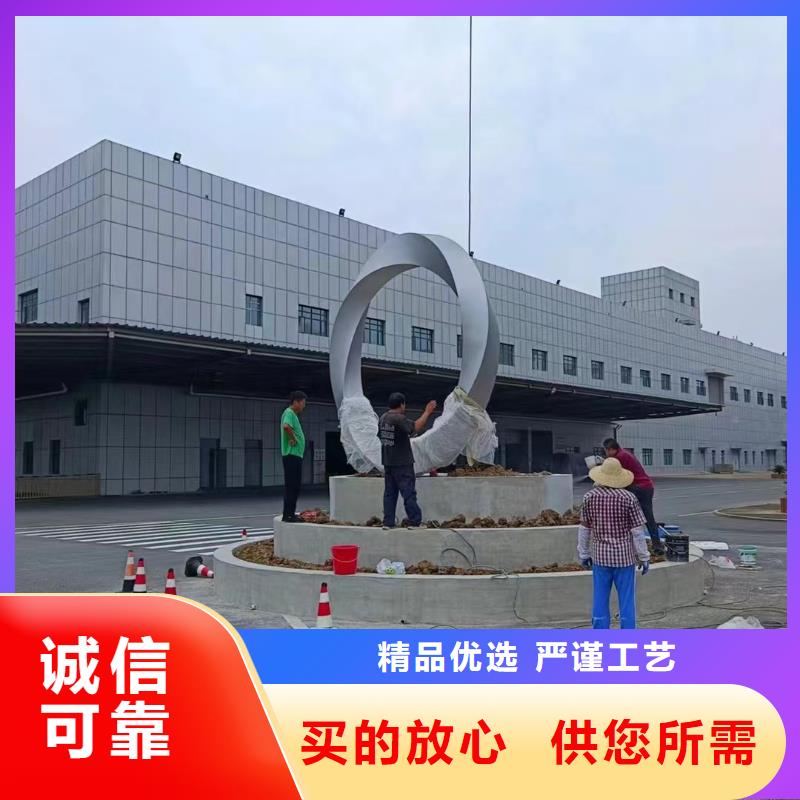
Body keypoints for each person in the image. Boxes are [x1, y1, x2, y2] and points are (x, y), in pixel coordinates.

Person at [578, 457, 651, 629]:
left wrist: (584, 553)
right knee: (627, 599)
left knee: (600, 597)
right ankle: (627, 633)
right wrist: (644, 556)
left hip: (600, 558)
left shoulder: (589, 497)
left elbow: (584, 528)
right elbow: (637, 531)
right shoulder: (629, 498)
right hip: (624, 559)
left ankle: (600, 632)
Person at [378, 392, 437, 528]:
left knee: (389, 494)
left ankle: (388, 522)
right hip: (402, 463)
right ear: (402, 404)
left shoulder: (383, 418)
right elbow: (415, 427)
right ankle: (415, 521)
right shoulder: (399, 419)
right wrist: (427, 412)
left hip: (388, 462)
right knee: (408, 493)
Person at [602, 437, 664, 554]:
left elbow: (615, 476)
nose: (606, 454)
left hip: (639, 487)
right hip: (645, 486)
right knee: (647, 517)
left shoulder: (620, 457)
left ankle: (639, 546)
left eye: (606, 451)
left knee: (630, 516)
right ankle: (656, 545)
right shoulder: (624, 453)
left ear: (610, 449)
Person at [280, 390, 307, 522]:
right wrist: (293, 438)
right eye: (303, 402)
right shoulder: (289, 413)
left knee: (294, 486)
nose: (304, 406)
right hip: (292, 455)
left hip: (295, 455)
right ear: (296, 402)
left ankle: (290, 513)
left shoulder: (292, 414)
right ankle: (288, 514)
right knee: (292, 485)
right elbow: (286, 426)